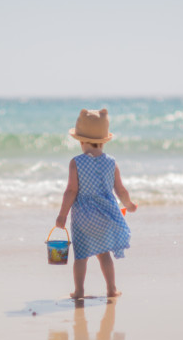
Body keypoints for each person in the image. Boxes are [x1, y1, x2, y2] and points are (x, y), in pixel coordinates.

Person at [55, 109, 137, 299]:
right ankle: (111, 289)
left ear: (80, 141)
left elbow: (71, 191)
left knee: (81, 256)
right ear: (103, 140)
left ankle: (79, 291)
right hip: (105, 216)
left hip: (83, 218)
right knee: (104, 254)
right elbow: (121, 190)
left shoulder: (76, 163)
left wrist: (62, 215)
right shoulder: (111, 162)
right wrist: (129, 205)